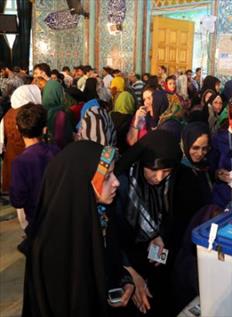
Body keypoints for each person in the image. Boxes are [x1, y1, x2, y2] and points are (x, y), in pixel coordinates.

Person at [22, 141, 134, 317]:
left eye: (114, 173)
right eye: (107, 177)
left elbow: (110, 262)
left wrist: (124, 280)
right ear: (81, 183)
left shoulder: (102, 215)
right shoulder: (50, 247)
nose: (116, 183)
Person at [114, 130, 182, 316]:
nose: (159, 178)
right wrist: (130, 275)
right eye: (153, 169)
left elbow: (169, 216)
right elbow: (111, 237)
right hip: (122, 261)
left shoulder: (171, 181)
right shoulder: (121, 184)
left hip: (151, 258)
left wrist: (159, 235)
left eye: (166, 171)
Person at [10, 103, 59, 230]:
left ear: (17, 127)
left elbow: (17, 200)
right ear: (44, 129)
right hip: (60, 217)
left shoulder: (19, 163)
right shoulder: (56, 151)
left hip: (36, 223)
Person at [171, 122, 212, 262]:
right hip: (182, 240)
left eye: (205, 148)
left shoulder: (204, 167)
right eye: (195, 148)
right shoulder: (178, 171)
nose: (200, 153)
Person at [0, 85, 42, 193]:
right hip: (33, 160)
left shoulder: (9, 113)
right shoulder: (32, 114)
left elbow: (2, 138)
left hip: (12, 158)